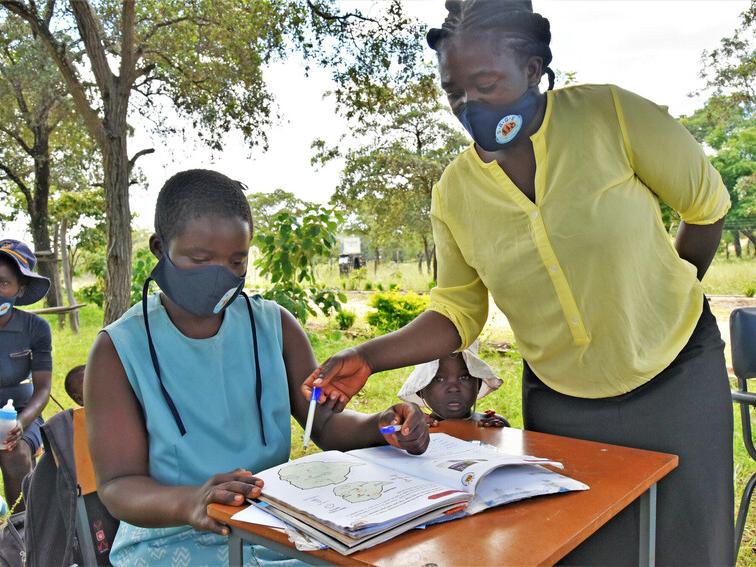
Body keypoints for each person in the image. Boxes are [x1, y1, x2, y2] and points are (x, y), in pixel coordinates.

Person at [303, 1, 733, 564]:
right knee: (584, 547)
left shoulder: (611, 115)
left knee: (689, 545)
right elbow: (457, 312)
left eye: (486, 84)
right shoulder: (455, 191)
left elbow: (706, 207)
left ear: (532, 70)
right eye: (454, 91)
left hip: (675, 374)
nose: (469, 104)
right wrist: (368, 356)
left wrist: (666, 292)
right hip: (562, 400)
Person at [84, 169, 430, 567]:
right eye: (201, 260)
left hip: (273, 526)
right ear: (160, 249)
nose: (222, 275)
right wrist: (193, 501)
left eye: (237, 261)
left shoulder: (274, 326)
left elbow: (325, 424)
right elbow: (118, 485)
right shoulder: (119, 349)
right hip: (175, 535)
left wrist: (382, 425)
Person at [0, 239, 52, 512]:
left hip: (22, 413)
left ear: (19, 290)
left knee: (15, 452)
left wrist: (20, 422)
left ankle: (24, 533)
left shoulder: (35, 328)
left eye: (3, 283)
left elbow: (43, 389)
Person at [398, 342, 509, 427]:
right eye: (439, 379)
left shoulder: (492, 424)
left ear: (478, 385)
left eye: (464, 377)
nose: (453, 388)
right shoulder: (415, 428)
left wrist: (498, 433)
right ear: (420, 390)